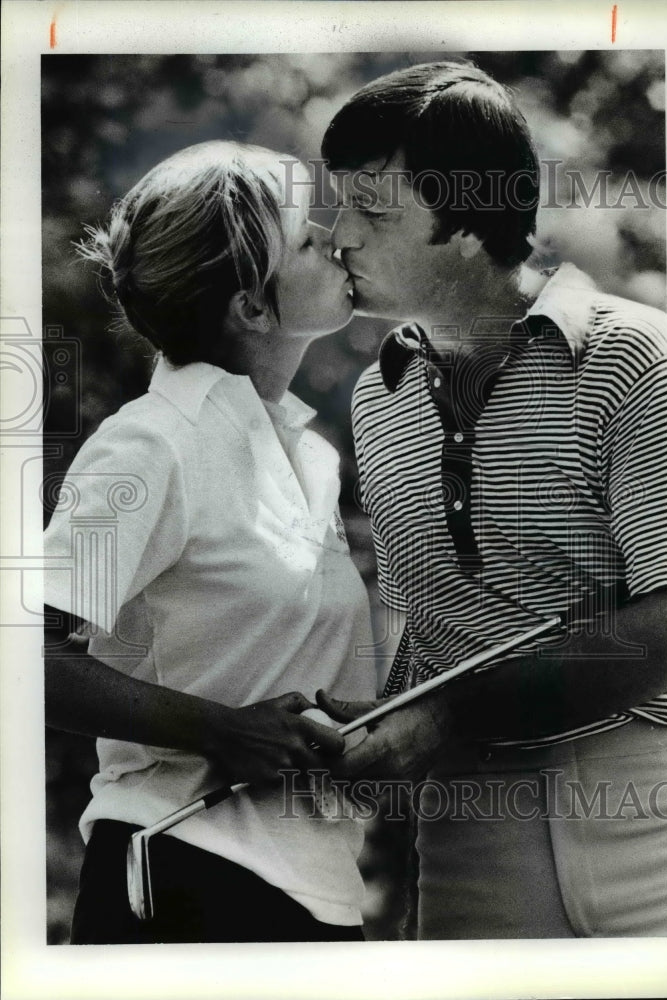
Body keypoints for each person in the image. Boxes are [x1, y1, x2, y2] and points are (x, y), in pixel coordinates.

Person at [316, 61, 667, 938]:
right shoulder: (378, 397)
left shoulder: (636, 362)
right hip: (467, 817)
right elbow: (425, 626)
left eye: (372, 209)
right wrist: (369, 729)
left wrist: (440, 719)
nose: (338, 237)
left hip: (657, 811)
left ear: (468, 220)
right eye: (337, 205)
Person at [43, 140, 376, 943]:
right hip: (180, 877)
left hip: (315, 894)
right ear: (252, 308)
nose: (337, 238)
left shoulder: (311, 450)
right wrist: (222, 729)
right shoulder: (152, 443)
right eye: (306, 236)